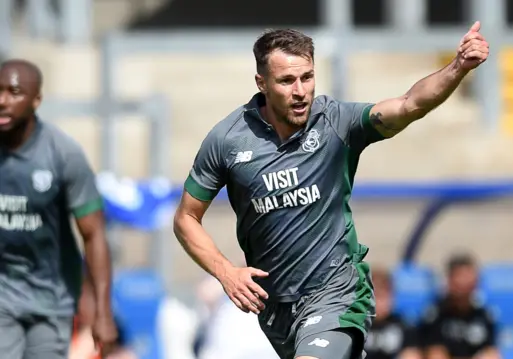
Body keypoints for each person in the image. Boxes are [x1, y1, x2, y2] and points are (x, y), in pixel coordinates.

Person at [173, 24, 489, 359]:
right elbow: (186, 218)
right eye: (286, 81)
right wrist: (225, 271)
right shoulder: (228, 141)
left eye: (307, 77)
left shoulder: (335, 123)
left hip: (337, 292)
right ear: (261, 83)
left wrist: (457, 68)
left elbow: (409, 104)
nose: (300, 91)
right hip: (276, 307)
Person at [0, 59, 118, 358]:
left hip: (50, 299)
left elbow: (94, 235)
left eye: (14, 92)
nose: (2, 101)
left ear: (36, 99)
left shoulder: (63, 154)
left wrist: (103, 311)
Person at [405, 253, 500, 359]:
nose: (465, 283)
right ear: (450, 280)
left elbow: (491, 351)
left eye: (469, 277)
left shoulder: (484, 316)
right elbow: (434, 353)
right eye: (461, 277)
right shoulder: (435, 315)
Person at [364, 268, 420, 359]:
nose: (380, 301)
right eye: (376, 295)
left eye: (384, 295)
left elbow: (412, 354)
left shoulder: (403, 326)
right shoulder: (356, 326)